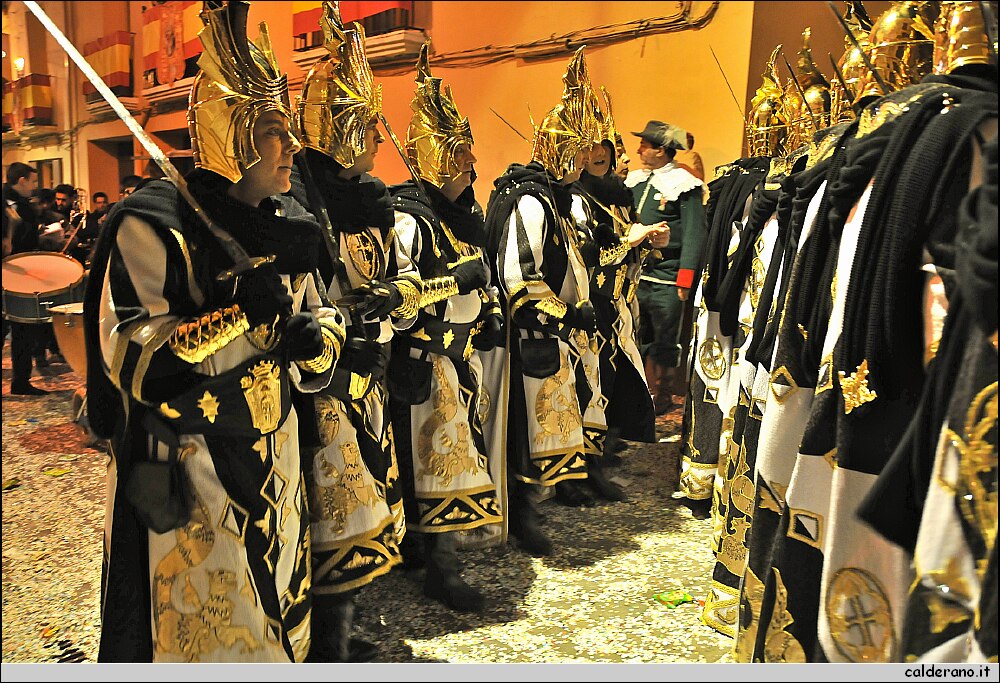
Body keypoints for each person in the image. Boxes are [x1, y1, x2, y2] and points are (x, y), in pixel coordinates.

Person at [83, 0, 345, 661]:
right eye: (274, 132)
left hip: (276, 453)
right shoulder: (152, 225)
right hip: (190, 462)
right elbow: (136, 361)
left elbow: (322, 322)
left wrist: (313, 341)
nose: (292, 148)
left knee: (278, 618)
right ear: (234, 136)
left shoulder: (289, 228)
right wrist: (239, 315)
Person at [292, 1, 414, 661]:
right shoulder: (297, 203)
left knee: (366, 506)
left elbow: (400, 280)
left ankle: (343, 627)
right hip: (322, 384)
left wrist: (395, 301)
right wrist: (342, 337)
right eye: (364, 125)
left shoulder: (373, 201)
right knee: (329, 513)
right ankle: (324, 644)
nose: (375, 139)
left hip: (373, 374)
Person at [385, 42, 502, 613]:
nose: (472, 168)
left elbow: (481, 274)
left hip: (459, 360)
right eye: (459, 157)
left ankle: (429, 555)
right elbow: (399, 303)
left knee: (451, 459)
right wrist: (455, 282)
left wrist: (488, 305)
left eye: (470, 157)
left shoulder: (461, 217)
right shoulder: (408, 218)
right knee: (431, 464)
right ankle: (439, 567)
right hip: (422, 364)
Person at [484, 47, 603, 552]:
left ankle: (535, 507)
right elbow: (520, 279)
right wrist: (568, 314)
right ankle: (521, 517)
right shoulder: (531, 202)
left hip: (552, 335)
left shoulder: (554, 199)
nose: (584, 160)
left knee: (544, 429)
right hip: (530, 336)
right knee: (524, 430)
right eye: (576, 150)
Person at [575, 96, 667, 487]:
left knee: (616, 381)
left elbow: (628, 245)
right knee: (591, 385)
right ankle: (584, 467)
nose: (601, 153)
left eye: (606, 147)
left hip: (620, 304)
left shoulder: (617, 195)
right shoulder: (576, 199)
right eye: (592, 146)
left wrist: (650, 244)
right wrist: (632, 241)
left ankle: (605, 452)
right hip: (589, 305)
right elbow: (587, 256)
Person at [626, 120, 706, 414]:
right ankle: (640, 390)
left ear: (660, 150)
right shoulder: (636, 181)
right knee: (638, 334)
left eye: (644, 145)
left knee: (665, 339)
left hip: (667, 277)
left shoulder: (684, 184)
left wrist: (685, 278)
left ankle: (660, 393)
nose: (639, 150)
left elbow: (695, 231)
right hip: (637, 274)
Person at [3, 162, 48, 395]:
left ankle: (21, 381)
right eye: (32, 181)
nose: (34, 186)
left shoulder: (25, 207)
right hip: (4, 273)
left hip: (23, 273)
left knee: (23, 328)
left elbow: (29, 238)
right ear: (21, 180)